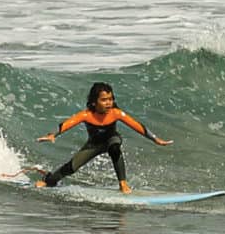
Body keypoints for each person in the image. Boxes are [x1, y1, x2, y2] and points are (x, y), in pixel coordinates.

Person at [35, 81, 173, 194]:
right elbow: (65, 124)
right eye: (104, 100)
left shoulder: (116, 113)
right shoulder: (86, 115)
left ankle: (123, 184)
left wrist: (155, 139)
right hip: (93, 145)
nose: (108, 103)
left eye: (111, 99)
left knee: (114, 147)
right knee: (71, 167)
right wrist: (52, 134)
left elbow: (138, 126)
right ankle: (49, 180)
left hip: (111, 139)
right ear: (94, 102)